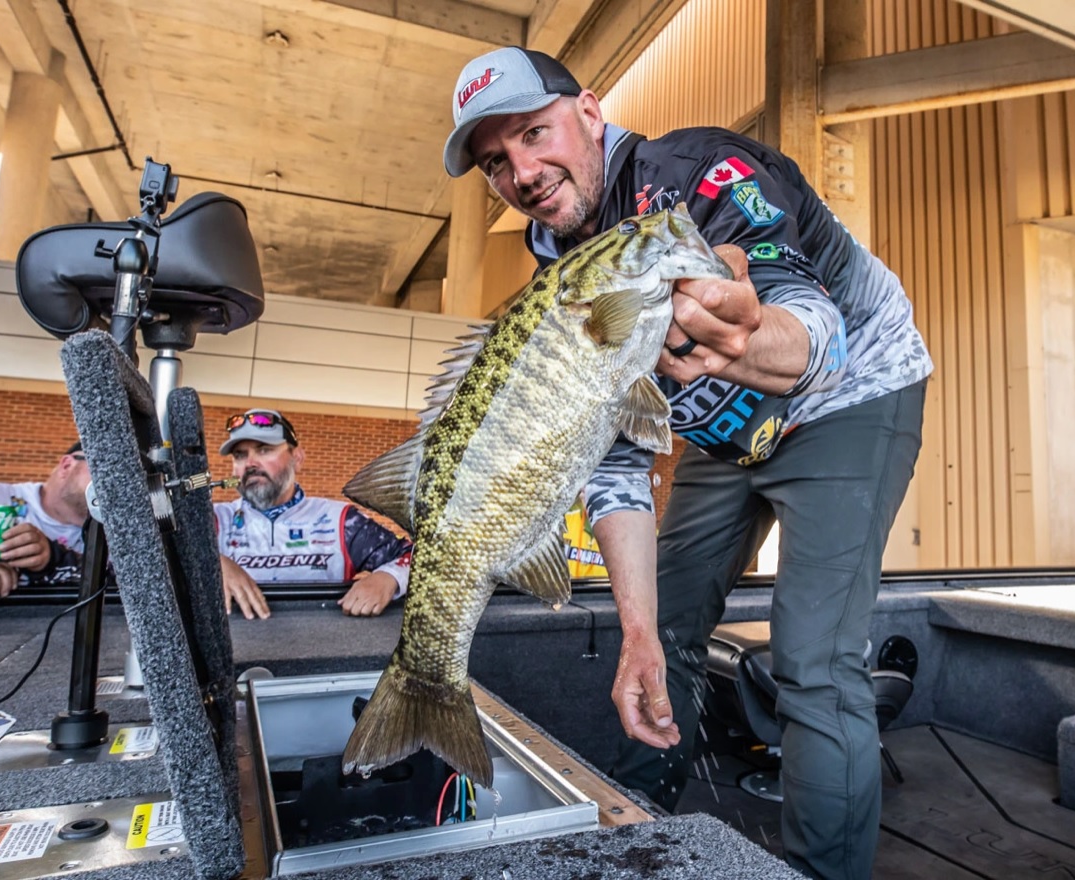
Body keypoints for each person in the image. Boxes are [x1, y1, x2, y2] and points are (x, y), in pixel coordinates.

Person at [442, 47, 932, 879]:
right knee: (660, 632)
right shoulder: (556, 257)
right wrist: (636, 634)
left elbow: (816, 338)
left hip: (848, 399)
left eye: (533, 133)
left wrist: (746, 332)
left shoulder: (702, 172)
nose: (521, 172)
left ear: (588, 111)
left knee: (813, 659)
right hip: (722, 433)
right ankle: (637, 831)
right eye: (495, 161)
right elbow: (614, 463)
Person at [214, 408, 413, 620]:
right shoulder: (214, 519)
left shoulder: (340, 519)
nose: (250, 463)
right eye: (240, 455)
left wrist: (389, 578)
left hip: (323, 640)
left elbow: (415, 556)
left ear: (297, 458)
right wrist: (213, 563)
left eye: (264, 450)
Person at [0, 443, 91, 598]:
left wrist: (54, 559)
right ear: (67, 466)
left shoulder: (106, 538)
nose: (106, 481)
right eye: (100, 468)